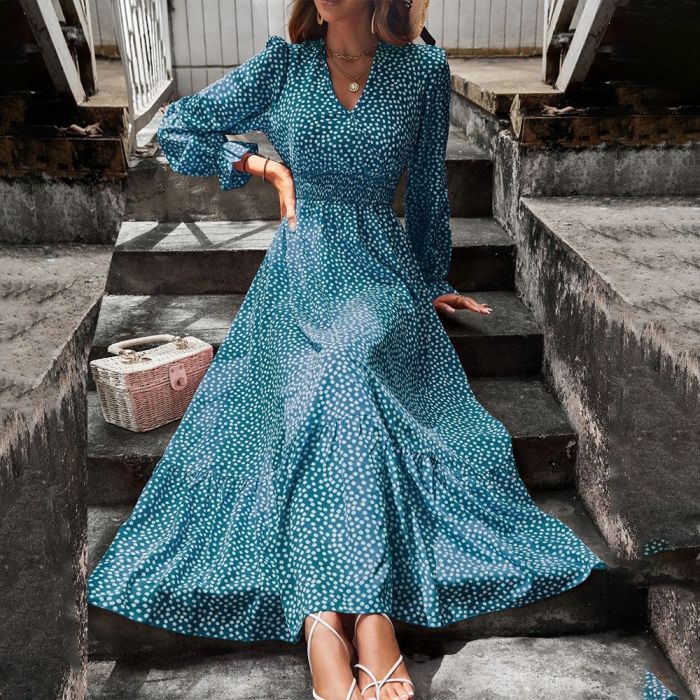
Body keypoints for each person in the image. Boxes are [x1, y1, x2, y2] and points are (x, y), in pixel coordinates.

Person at [87, 2, 607, 699]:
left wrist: (432, 281)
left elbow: (427, 188)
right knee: (330, 382)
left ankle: (356, 619)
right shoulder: (283, 64)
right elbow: (178, 127)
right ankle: (336, 618)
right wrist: (266, 168)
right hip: (300, 269)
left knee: (348, 365)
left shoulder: (422, 70)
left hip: (381, 269)